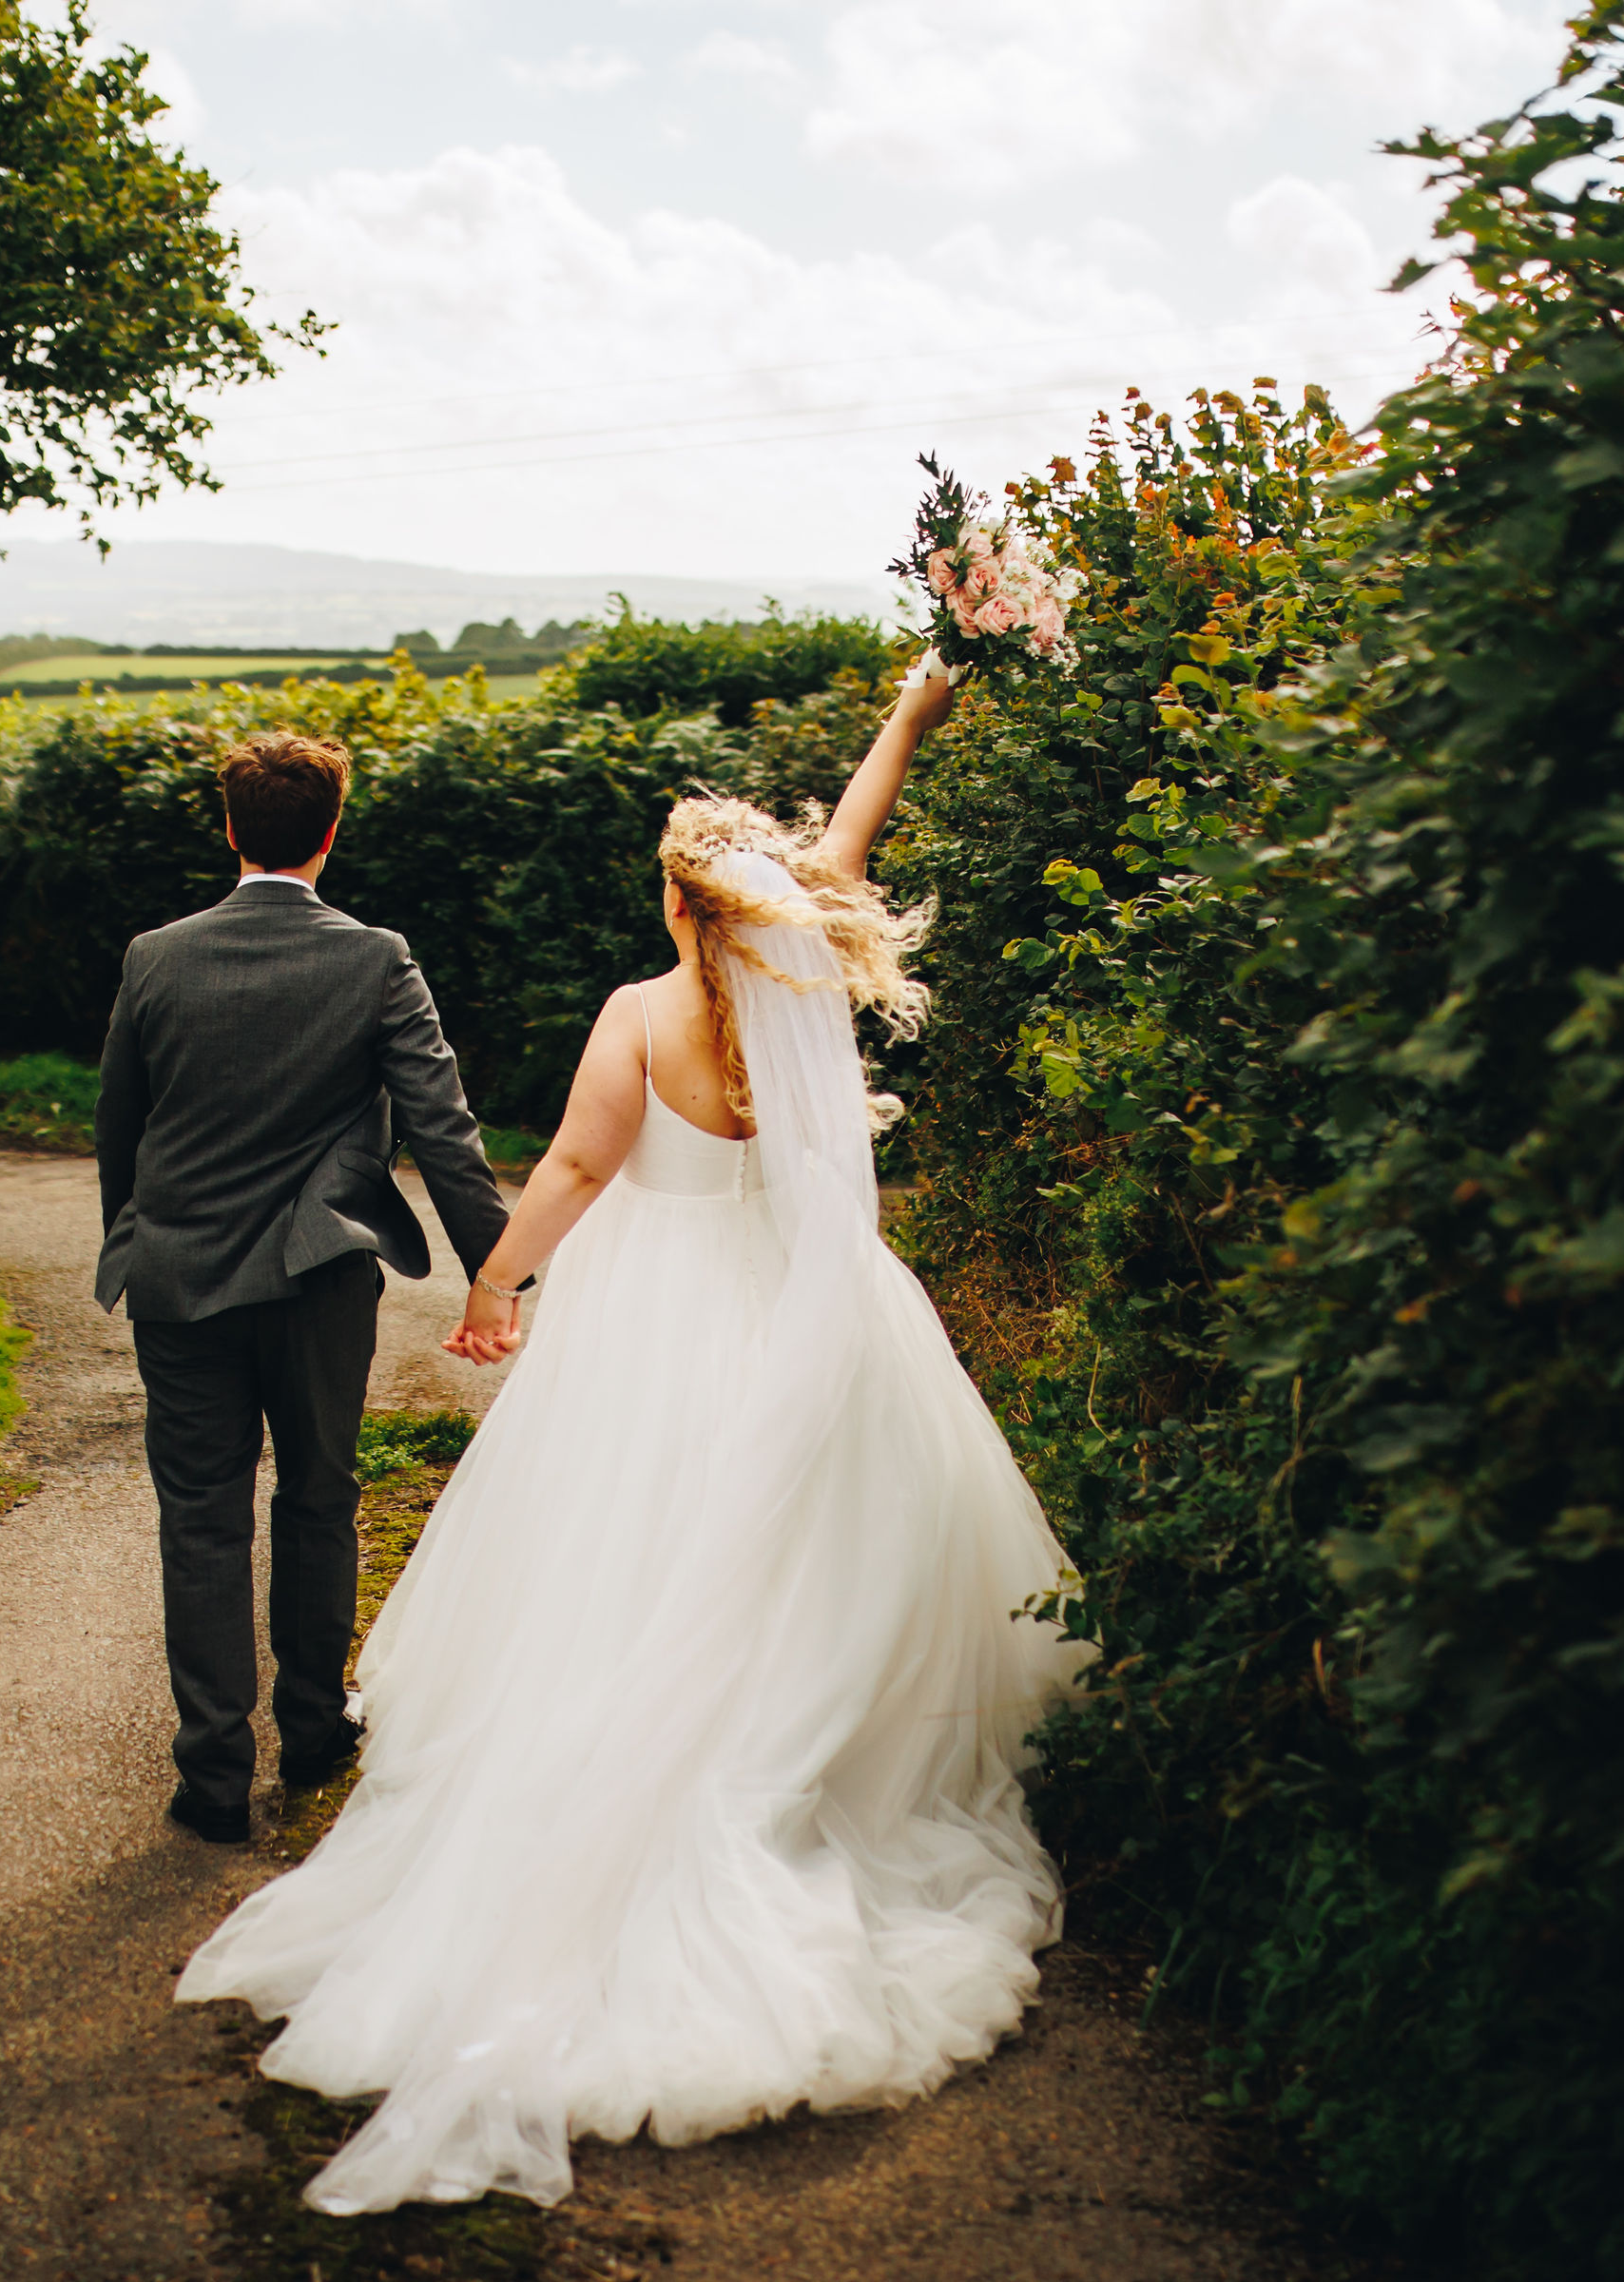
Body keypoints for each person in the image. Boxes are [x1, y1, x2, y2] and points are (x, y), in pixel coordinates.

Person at [176, 654, 1092, 2213]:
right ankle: (811, 1768)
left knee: (624, 1554)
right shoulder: (801, 975)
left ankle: (636, 1775)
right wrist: (912, 712)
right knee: (821, 1563)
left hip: (655, 1319)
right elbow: (852, 842)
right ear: (758, 901)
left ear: (679, 907)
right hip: (810, 1311)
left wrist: (498, 1285)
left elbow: (581, 1167)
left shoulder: (643, 1013)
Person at [93, 729, 511, 1848]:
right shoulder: (376, 959)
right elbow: (443, 1129)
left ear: (230, 831)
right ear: (331, 833)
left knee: (201, 1518)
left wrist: (135, 1246)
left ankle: (214, 1778)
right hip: (322, 1284)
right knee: (321, 1496)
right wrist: (502, 1272)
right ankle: (316, 1729)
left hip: (178, 1284)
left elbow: (119, 1129)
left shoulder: (154, 956)